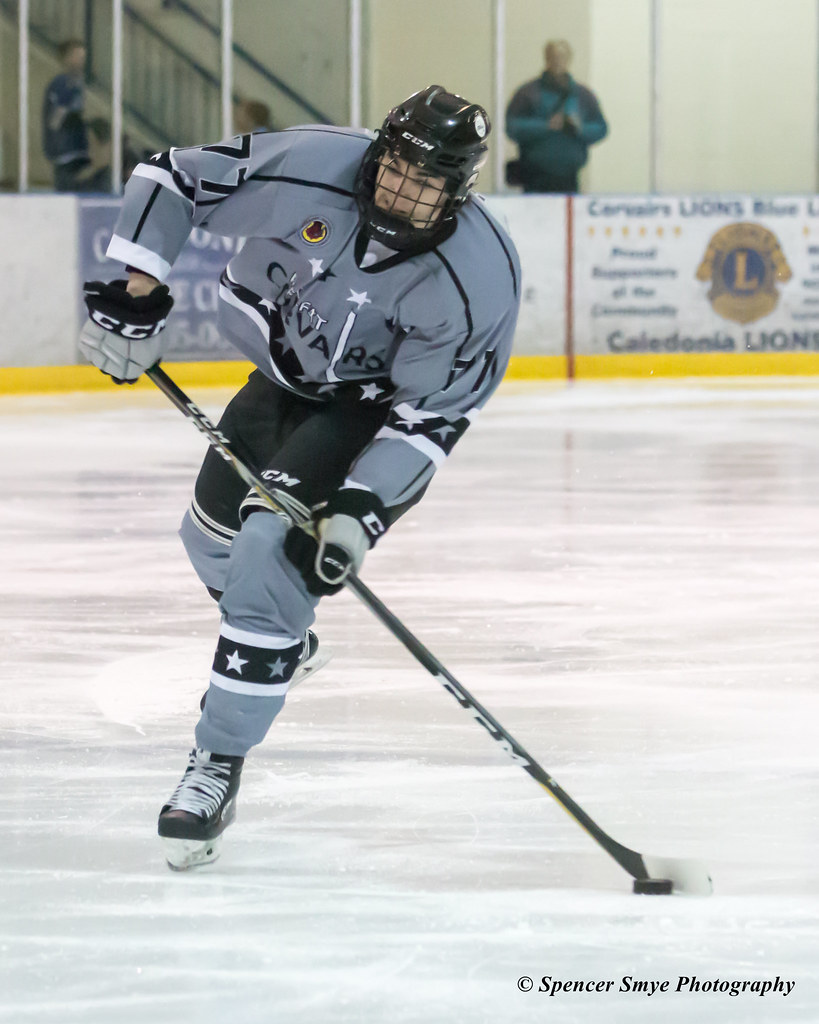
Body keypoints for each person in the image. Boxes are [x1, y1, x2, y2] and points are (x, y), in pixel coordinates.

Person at [78, 84, 521, 871]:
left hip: (362, 413)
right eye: (395, 168)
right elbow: (172, 177)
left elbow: (431, 418)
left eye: (425, 182)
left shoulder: (478, 276)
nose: (400, 190)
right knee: (207, 539)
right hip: (278, 382)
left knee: (267, 554)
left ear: (456, 190)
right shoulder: (315, 163)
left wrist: (360, 510)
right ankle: (287, 641)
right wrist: (137, 296)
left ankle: (215, 765)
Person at [505, 39, 608, 193]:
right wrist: (545, 126)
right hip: (533, 177)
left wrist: (579, 127)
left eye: (562, 57)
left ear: (569, 59)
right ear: (546, 58)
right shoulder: (528, 93)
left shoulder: (583, 95)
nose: (558, 61)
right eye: (554, 57)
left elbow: (600, 128)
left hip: (570, 177)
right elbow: (512, 127)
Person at [42, 39, 89, 192]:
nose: (81, 61)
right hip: (66, 155)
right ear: (66, 58)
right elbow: (55, 121)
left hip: (76, 153)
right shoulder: (62, 83)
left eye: (82, 57)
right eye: (77, 56)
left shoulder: (76, 83)